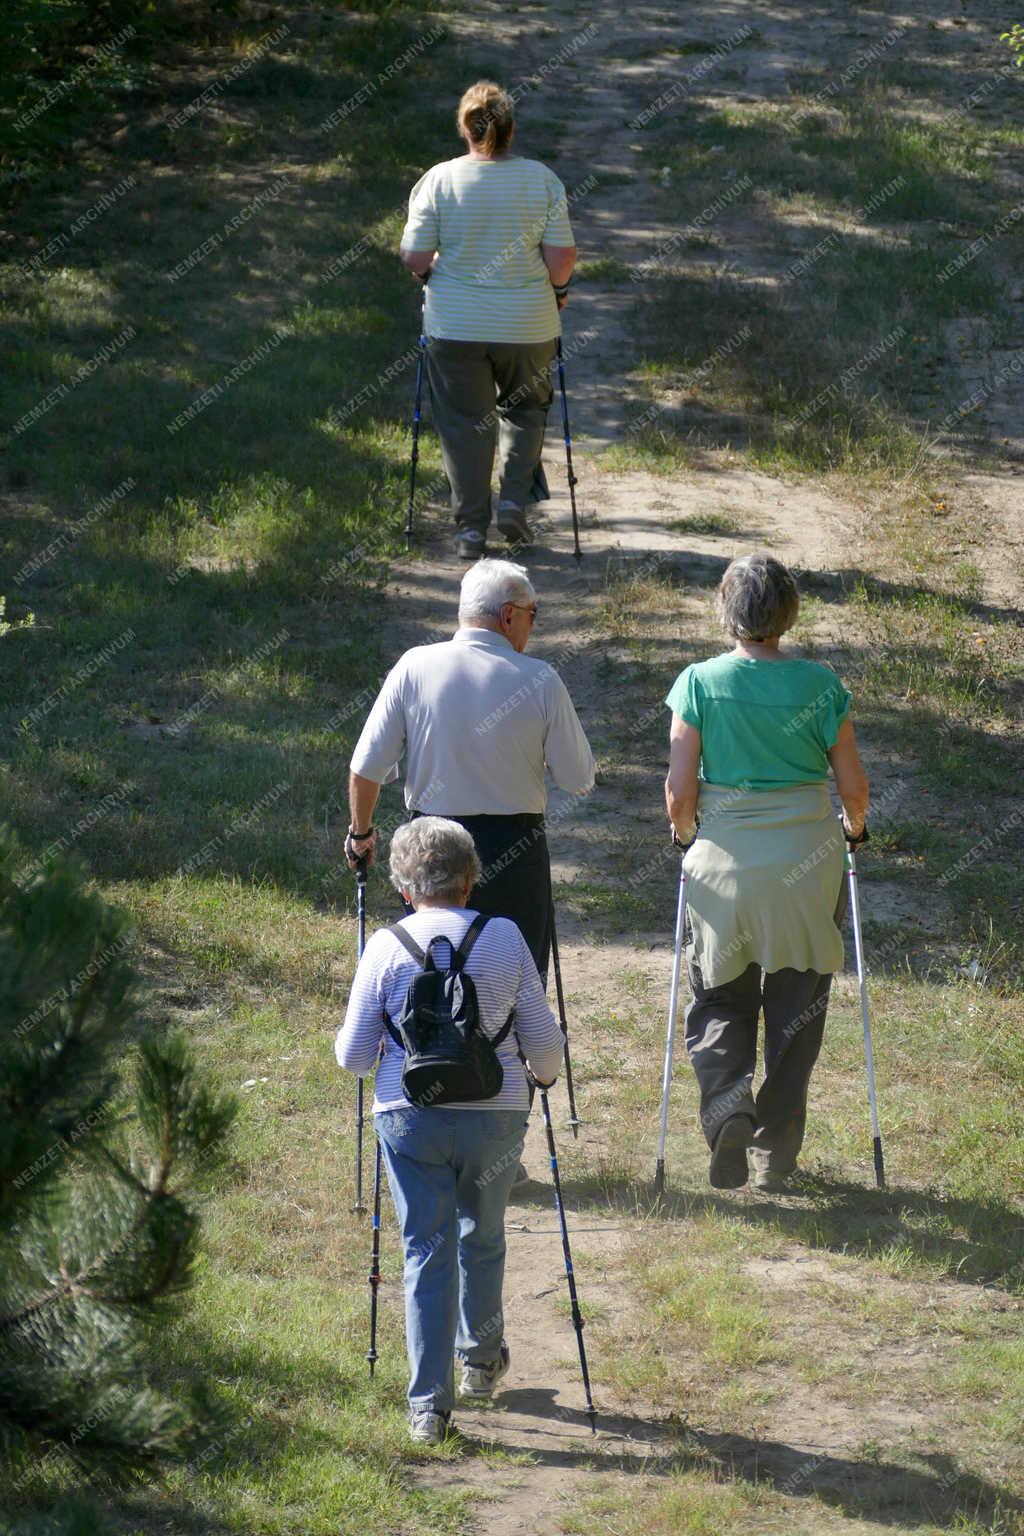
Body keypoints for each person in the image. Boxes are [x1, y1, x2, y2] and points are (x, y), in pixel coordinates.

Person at [336, 817, 563, 1444]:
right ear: (472, 880)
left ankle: (428, 1409)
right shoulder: (505, 937)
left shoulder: (385, 946)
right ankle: (481, 1362)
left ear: (405, 887)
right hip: (495, 1115)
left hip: (410, 1120)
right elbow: (542, 1045)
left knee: (425, 1249)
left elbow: (355, 1057)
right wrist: (542, 1077)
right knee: (483, 1234)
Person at [664, 553, 869, 1193]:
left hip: (724, 864)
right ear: (789, 611)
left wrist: (686, 837)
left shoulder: (699, 682)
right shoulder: (820, 684)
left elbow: (678, 790)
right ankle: (775, 1155)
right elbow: (853, 788)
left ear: (728, 610)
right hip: (806, 862)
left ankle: (728, 1106)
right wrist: (855, 830)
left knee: (719, 994)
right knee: (797, 1007)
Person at [344, 558, 594, 983]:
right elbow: (579, 779)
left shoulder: (413, 666)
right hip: (513, 850)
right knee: (516, 983)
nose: (533, 627)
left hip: (430, 848)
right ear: (508, 615)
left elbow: (366, 767)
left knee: (433, 977)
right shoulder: (541, 680)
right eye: (533, 616)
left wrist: (361, 832)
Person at [400, 80, 577, 560]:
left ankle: (471, 530)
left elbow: (414, 255)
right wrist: (558, 291)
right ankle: (515, 501)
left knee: (464, 423)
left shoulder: (438, 180)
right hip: (529, 324)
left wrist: (432, 273)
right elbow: (561, 256)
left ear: (464, 128)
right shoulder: (541, 179)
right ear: (511, 130)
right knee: (525, 410)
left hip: (454, 325)